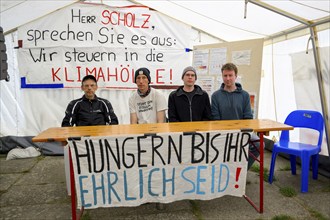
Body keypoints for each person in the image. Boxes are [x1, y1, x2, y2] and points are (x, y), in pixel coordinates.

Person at [211, 62, 260, 169]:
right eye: (225, 75)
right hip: (222, 133)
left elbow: (248, 117)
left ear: (235, 76)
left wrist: (241, 133)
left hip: (242, 132)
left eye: (230, 75)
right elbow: (216, 119)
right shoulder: (215, 96)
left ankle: (241, 171)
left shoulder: (245, 95)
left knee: (259, 144)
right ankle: (224, 170)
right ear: (222, 76)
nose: (228, 78)